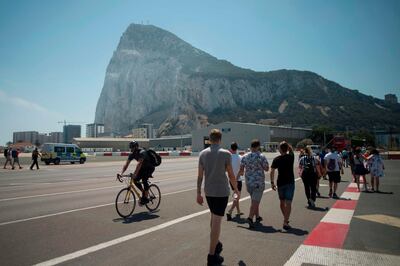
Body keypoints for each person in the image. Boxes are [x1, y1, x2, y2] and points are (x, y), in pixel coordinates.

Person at [197, 129, 239, 266]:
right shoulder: (226, 154)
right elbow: (231, 175)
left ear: (209, 139)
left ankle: (216, 243)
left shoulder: (202, 154)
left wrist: (198, 193)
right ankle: (211, 256)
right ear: (220, 139)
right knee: (216, 222)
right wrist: (236, 189)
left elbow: (200, 176)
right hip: (221, 192)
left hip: (209, 192)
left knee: (213, 217)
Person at [238, 139, 269, 228]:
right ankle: (250, 218)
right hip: (258, 182)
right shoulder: (261, 156)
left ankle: (258, 216)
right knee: (255, 201)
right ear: (258, 146)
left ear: (251, 146)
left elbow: (241, 169)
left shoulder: (245, 156)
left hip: (248, 182)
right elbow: (266, 168)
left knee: (254, 201)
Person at [118, 141, 155, 205]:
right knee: (135, 180)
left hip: (149, 168)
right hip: (142, 168)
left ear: (136, 147)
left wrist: (135, 174)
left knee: (144, 180)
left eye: (132, 147)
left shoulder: (142, 152)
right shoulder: (132, 154)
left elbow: (139, 164)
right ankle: (144, 192)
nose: (131, 149)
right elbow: (126, 164)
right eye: (130, 148)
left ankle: (146, 197)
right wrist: (121, 173)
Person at [270, 141, 295, 230]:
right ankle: (286, 219)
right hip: (290, 182)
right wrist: (287, 145)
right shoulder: (291, 157)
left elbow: (272, 171)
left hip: (281, 183)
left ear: (280, 149)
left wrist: (272, 183)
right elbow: (291, 150)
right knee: (288, 203)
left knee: (282, 203)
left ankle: (285, 220)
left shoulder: (277, 159)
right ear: (287, 148)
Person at [226, 142, 244, 221]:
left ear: (231, 148)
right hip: (238, 180)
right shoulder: (240, 157)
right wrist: (238, 176)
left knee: (236, 195)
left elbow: (226, 169)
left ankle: (238, 211)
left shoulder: (228, 158)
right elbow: (241, 170)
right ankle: (230, 211)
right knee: (237, 196)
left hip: (231, 179)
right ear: (237, 148)